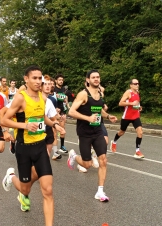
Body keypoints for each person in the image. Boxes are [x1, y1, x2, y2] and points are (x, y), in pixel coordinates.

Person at [0, 66, 65, 226]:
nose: (38, 81)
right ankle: (11, 177)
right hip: (23, 149)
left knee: (48, 190)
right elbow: (4, 120)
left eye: (40, 79)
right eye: (34, 78)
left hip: (40, 147)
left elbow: (42, 117)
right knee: (25, 189)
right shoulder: (20, 98)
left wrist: (55, 125)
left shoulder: (43, 98)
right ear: (26, 79)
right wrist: (25, 125)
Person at [67, 70, 117, 201]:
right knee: (87, 164)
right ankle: (73, 156)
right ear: (88, 80)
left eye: (98, 77)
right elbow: (71, 111)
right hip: (85, 133)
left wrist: (107, 116)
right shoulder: (83, 94)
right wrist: (88, 118)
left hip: (97, 132)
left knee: (103, 160)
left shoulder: (99, 93)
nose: (96, 79)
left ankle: (100, 191)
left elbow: (99, 108)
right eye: (93, 77)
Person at [110, 79, 144, 159]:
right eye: (135, 84)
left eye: (138, 83)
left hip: (136, 116)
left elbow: (136, 103)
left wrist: (139, 107)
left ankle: (137, 151)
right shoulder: (128, 92)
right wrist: (131, 103)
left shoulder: (138, 92)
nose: (137, 85)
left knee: (140, 132)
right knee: (122, 132)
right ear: (131, 85)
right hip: (127, 117)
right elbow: (120, 103)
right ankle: (114, 142)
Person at [54, 74, 69, 154]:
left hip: (62, 111)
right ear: (56, 80)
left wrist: (67, 105)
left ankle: (62, 146)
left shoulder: (63, 89)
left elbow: (65, 98)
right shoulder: (54, 88)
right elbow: (56, 96)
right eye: (59, 80)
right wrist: (63, 97)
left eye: (62, 80)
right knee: (54, 131)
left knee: (62, 129)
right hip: (54, 111)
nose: (61, 81)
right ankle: (55, 150)